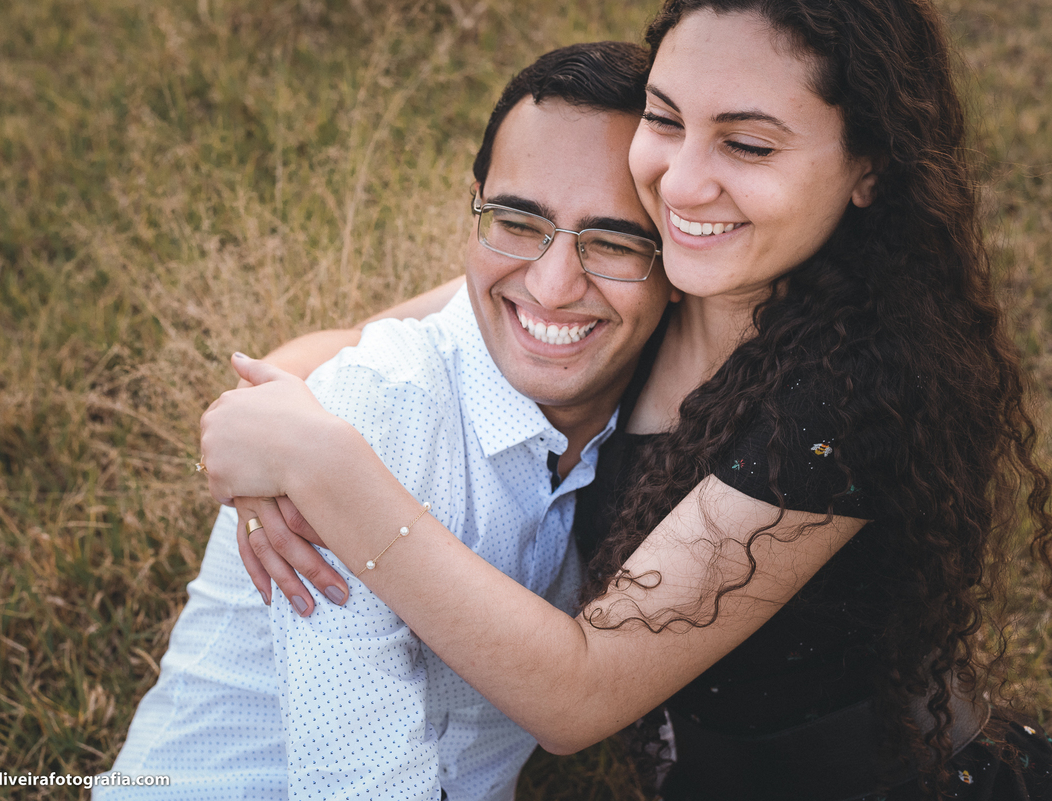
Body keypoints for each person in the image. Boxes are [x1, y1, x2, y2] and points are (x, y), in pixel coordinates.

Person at [201, 0, 1052, 798]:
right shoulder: (648, 276)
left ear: (869, 165)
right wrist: (264, 434)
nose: (679, 184)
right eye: (666, 118)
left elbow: (579, 694)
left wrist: (331, 473)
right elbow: (348, 345)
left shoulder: (847, 396)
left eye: (748, 146)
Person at [99, 42, 675, 800]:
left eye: (612, 241)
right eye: (517, 220)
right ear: (475, 209)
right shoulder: (373, 414)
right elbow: (361, 781)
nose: (553, 284)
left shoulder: (658, 416)